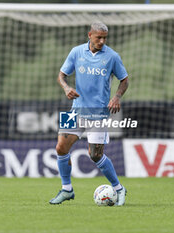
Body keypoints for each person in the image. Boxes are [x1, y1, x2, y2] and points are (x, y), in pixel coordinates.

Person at [49, 22, 129, 206]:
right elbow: (61, 75)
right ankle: (66, 189)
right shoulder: (76, 52)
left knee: (95, 155)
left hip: (98, 113)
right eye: (98, 37)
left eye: (105, 38)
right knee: (61, 147)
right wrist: (66, 87)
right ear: (89, 35)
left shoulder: (112, 56)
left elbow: (124, 80)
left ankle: (118, 188)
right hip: (75, 111)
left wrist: (117, 96)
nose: (102, 41)